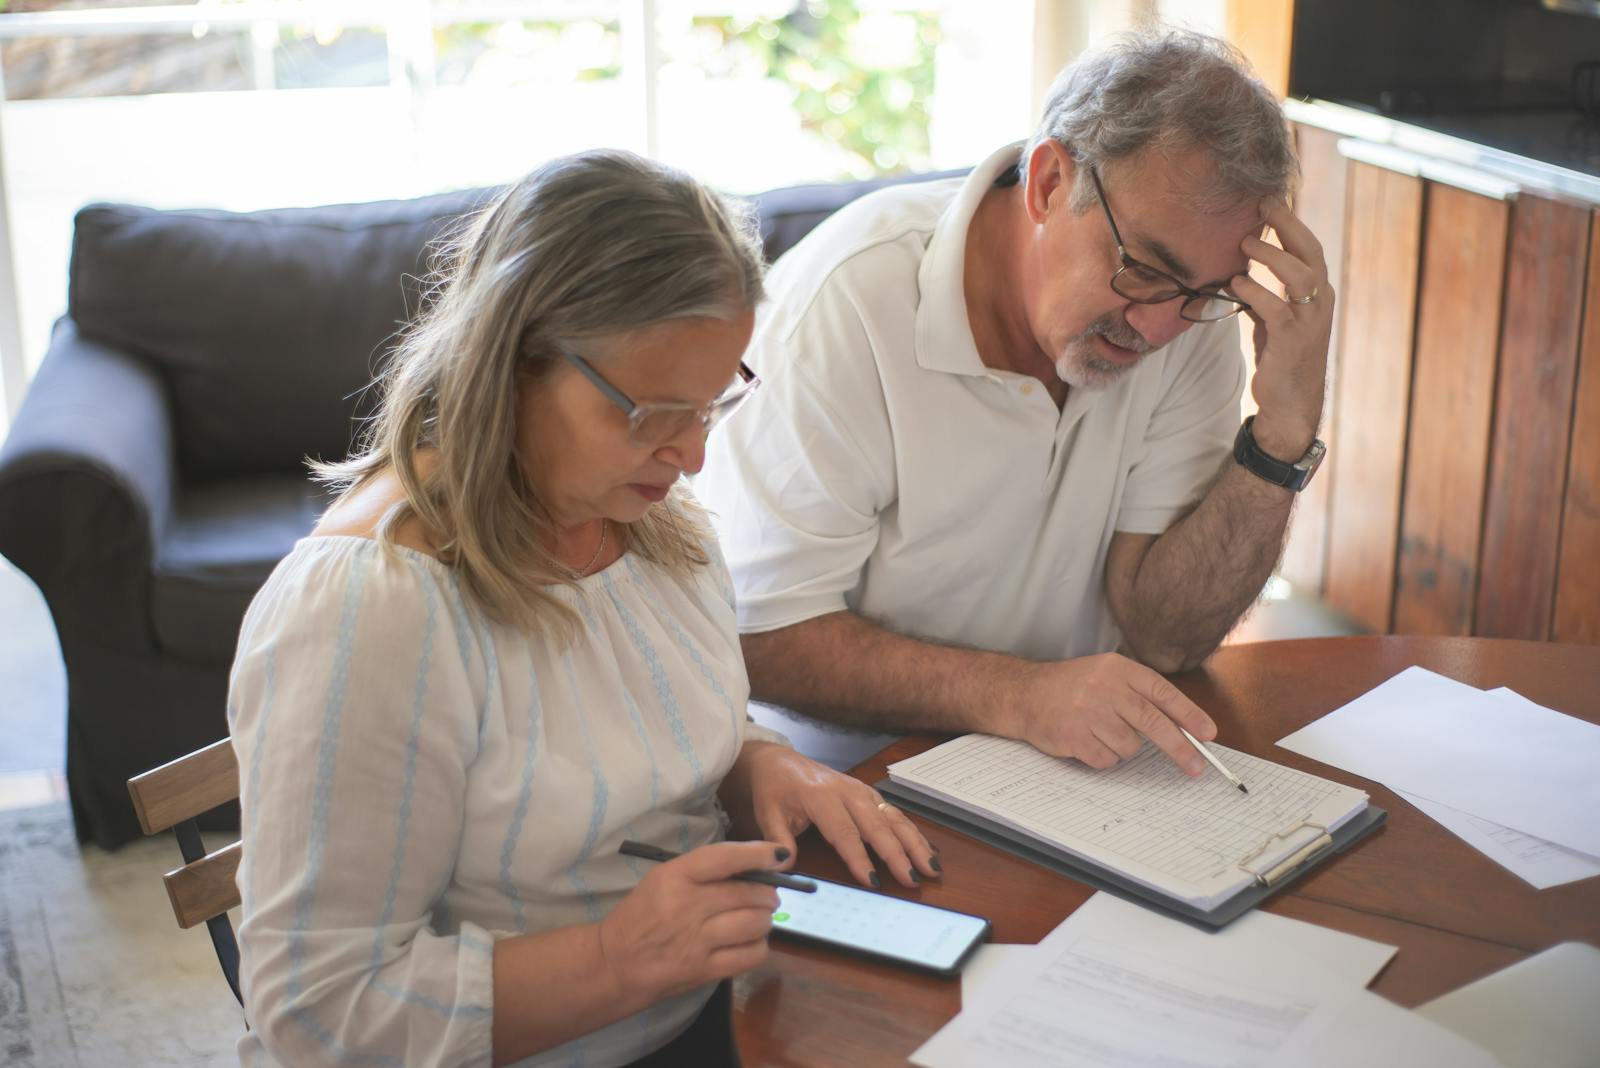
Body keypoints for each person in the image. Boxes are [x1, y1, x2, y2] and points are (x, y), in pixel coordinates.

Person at [227, 149, 938, 1068]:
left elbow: (630, 726)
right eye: (650, 412)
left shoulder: (649, 521)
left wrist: (753, 762)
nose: (690, 455)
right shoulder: (372, 611)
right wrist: (617, 960)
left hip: (709, 1010)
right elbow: (318, 1014)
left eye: (713, 401)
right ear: (513, 361)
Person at [695, 29, 1335, 774]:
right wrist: (1021, 697)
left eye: (1206, 294)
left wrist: (1282, 436)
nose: (1160, 327)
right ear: (1048, 184)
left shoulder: (1190, 325)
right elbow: (759, 636)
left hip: (1071, 773)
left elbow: (1168, 638)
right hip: (853, 786)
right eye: (1145, 269)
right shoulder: (847, 308)